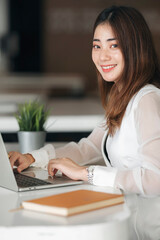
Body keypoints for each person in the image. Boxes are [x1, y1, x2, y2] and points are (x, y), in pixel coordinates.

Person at [9, 6, 160, 196]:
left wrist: (86, 174)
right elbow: (90, 147)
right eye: (97, 46)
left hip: (145, 223)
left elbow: (155, 180)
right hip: (125, 213)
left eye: (114, 45)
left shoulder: (147, 99)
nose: (103, 56)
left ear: (136, 48)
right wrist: (32, 157)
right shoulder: (120, 96)